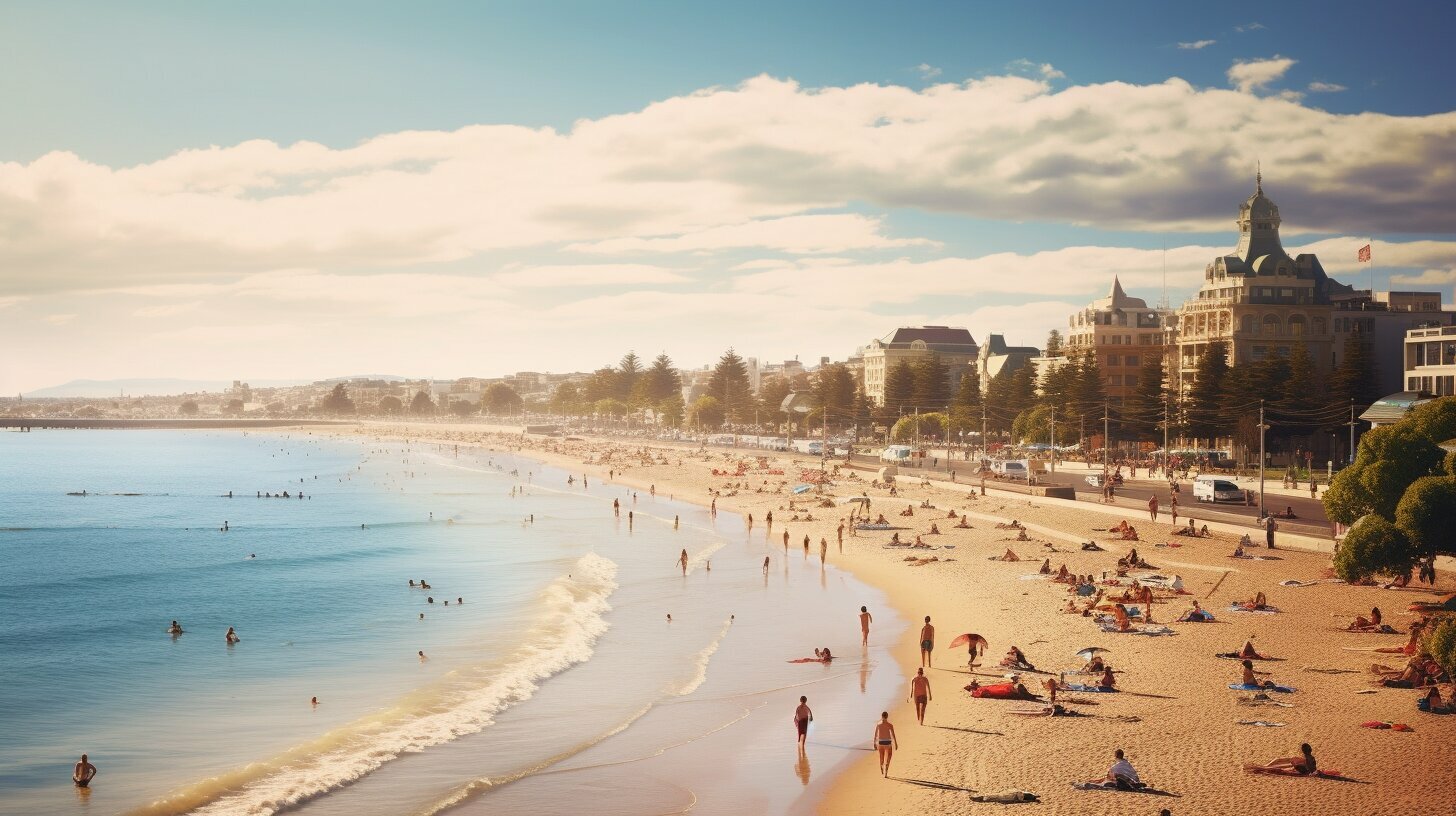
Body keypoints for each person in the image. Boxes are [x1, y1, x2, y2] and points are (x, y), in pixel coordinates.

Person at [1250, 743, 1317, 775]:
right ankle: (1259, 768)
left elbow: (1309, 769)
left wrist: (1296, 766)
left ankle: (1258, 768)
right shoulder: (1310, 758)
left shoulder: (1307, 759)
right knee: (1277, 767)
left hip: (1302, 771)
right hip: (1302, 770)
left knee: (1277, 768)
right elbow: (1312, 768)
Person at [873, 712, 898, 777]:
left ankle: (881, 766)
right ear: (887, 716)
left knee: (881, 756)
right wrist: (895, 743)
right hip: (888, 742)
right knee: (889, 756)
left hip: (880, 742)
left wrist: (874, 743)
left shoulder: (878, 724)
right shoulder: (890, 725)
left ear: (881, 716)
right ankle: (886, 771)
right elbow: (893, 734)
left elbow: (875, 735)